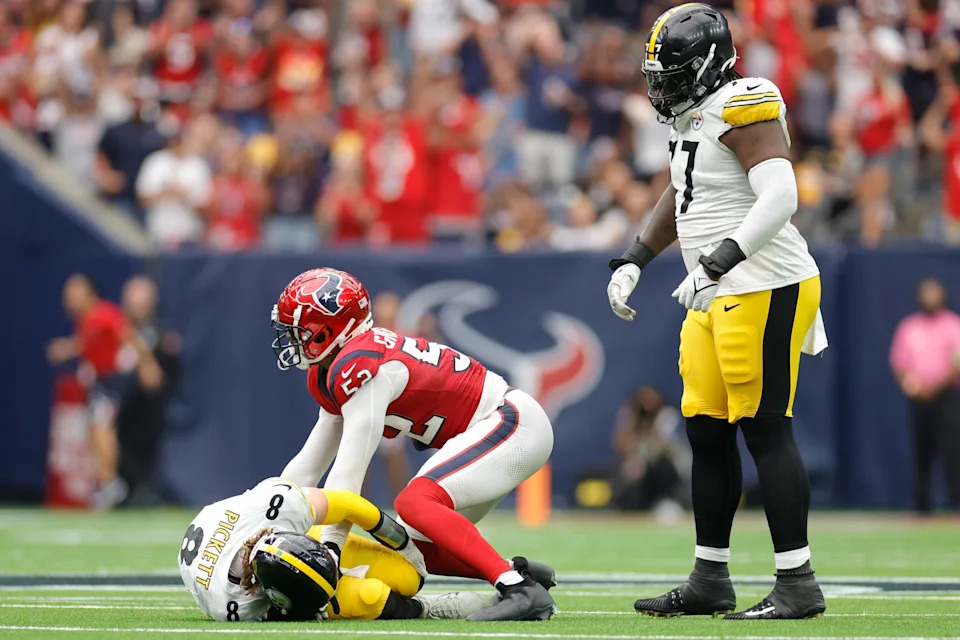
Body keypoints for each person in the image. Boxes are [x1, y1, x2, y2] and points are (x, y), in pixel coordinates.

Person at [606, 4, 828, 620]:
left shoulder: (745, 101)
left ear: (708, 64)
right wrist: (635, 258)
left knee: (764, 428)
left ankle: (797, 583)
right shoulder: (691, 117)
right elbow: (684, 190)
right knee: (705, 429)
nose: (661, 85)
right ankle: (710, 577)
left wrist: (717, 260)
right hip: (716, 290)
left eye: (672, 71)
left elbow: (782, 194)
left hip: (765, 283)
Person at [272, 268, 557, 622]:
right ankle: (520, 573)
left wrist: (330, 550)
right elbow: (309, 465)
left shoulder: (363, 367)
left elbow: (347, 478)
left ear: (332, 328)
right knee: (418, 550)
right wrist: (265, 515)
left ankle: (520, 591)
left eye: (301, 330)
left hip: (512, 421)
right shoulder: (332, 369)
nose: (292, 339)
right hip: (496, 427)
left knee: (415, 500)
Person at [179, 477, 485, 621]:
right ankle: (426, 610)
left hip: (256, 530)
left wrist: (402, 543)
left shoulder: (277, 508)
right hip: (249, 576)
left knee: (407, 576)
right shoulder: (234, 604)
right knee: (371, 597)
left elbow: (348, 504)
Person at [46, 273, 164, 509]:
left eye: (74, 292)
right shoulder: (85, 320)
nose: (68, 298)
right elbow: (86, 343)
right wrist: (67, 349)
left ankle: (111, 483)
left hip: (112, 381)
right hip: (100, 381)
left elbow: (129, 336)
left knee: (102, 428)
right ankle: (107, 482)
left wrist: (147, 365)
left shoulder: (105, 313)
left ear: (89, 293)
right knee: (94, 430)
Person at [889, 278, 960, 512]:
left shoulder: (953, 325)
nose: (930, 297)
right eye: (926, 293)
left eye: (934, 293)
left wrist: (935, 386)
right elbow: (899, 363)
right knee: (921, 451)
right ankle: (922, 505)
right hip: (918, 399)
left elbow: (956, 363)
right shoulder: (909, 327)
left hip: (947, 398)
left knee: (951, 450)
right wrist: (912, 385)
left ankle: (954, 504)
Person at [116, 275, 180, 506]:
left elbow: (158, 379)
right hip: (115, 406)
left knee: (144, 451)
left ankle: (140, 491)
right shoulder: (115, 328)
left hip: (146, 411)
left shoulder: (159, 333)